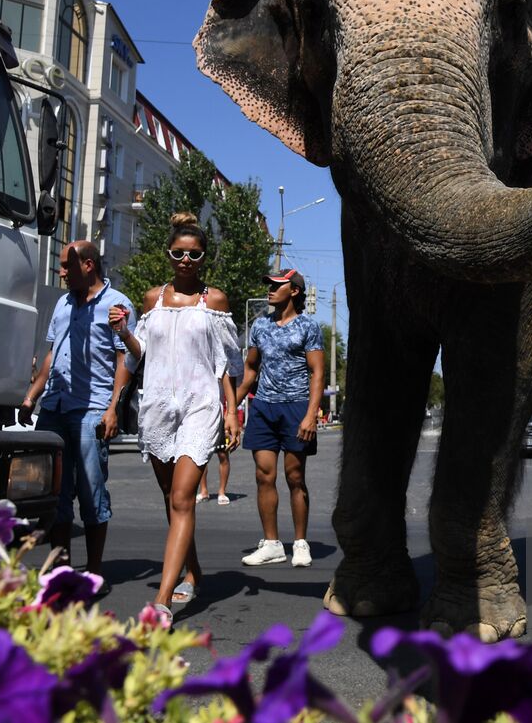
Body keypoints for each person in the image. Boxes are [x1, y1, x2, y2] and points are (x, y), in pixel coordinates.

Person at [112, 213, 242, 625]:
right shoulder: (153, 299)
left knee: (184, 497)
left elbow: (225, 363)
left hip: (200, 405)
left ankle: (163, 601)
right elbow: (139, 352)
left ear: (203, 258)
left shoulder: (214, 301)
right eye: (178, 253)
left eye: (194, 254)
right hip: (158, 407)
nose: (186, 259)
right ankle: (194, 571)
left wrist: (231, 410)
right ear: (169, 256)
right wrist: (123, 333)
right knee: (173, 500)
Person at [18, 241, 134, 578]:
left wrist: (114, 408)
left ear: (89, 265)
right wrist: (31, 397)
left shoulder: (117, 305)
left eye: (67, 266)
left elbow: (125, 359)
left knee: (91, 493)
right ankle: (62, 570)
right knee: (55, 493)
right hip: (54, 406)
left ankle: (94, 573)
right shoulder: (63, 303)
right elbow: (53, 354)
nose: (61, 272)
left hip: (92, 410)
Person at [238, 268, 324, 568]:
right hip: (263, 406)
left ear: (295, 291)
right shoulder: (260, 326)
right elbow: (250, 371)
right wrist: (228, 409)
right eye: (269, 285)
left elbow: (317, 373)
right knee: (264, 475)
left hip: (296, 407)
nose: (270, 289)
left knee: (295, 477)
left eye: (277, 285)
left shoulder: (308, 327)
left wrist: (311, 415)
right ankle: (272, 544)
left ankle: (300, 543)